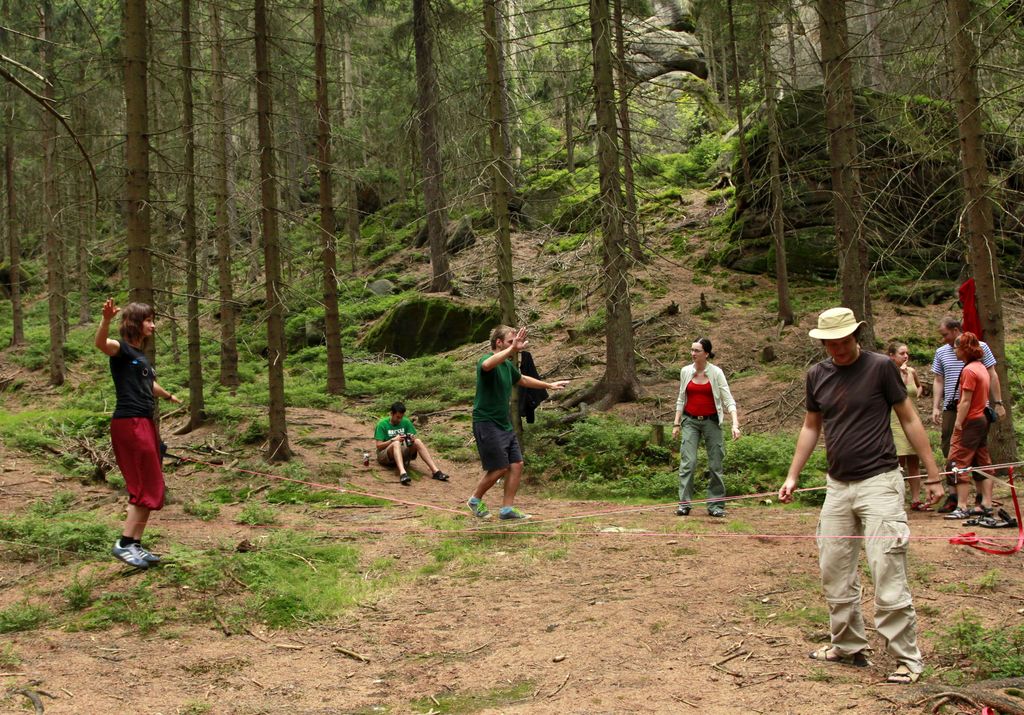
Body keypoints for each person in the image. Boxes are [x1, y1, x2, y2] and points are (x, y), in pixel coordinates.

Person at [778, 307, 943, 685]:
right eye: (829, 344)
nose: (836, 349)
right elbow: (810, 427)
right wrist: (792, 475)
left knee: (887, 568)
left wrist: (933, 473)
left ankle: (906, 658)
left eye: (842, 342)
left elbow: (909, 418)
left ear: (856, 336)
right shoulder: (817, 375)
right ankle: (848, 645)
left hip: (880, 483)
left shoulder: (880, 368)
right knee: (833, 569)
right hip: (837, 485)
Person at [94, 298, 181, 570]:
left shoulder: (140, 356)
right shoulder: (121, 350)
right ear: (135, 323)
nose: (153, 326)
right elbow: (101, 344)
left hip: (143, 422)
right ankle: (124, 543)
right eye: (149, 321)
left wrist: (167, 395)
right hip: (129, 422)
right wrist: (106, 320)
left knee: (153, 485)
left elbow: (149, 383)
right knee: (143, 484)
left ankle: (135, 544)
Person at [467, 326, 567, 520]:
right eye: (511, 341)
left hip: (504, 423)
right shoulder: (488, 360)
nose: (516, 345)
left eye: (516, 343)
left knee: (516, 464)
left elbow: (522, 379)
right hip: (486, 422)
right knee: (499, 467)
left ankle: (506, 509)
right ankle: (475, 500)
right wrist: (512, 351)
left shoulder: (507, 366)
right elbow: (487, 365)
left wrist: (548, 385)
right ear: (499, 342)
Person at [930, 316, 1004, 511]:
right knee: (951, 449)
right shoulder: (941, 352)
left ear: (956, 330)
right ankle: (954, 496)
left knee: (967, 454)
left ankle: (978, 499)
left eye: (945, 334)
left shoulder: (977, 349)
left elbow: (992, 374)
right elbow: (939, 379)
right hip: (952, 407)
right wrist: (936, 406)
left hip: (974, 409)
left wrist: (998, 402)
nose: (943, 339)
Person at [671, 338, 740, 517]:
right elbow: (680, 398)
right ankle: (684, 504)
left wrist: (735, 424)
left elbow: (728, 399)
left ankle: (715, 506)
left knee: (715, 463)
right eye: (692, 350)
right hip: (690, 421)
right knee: (689, 462)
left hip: (711, 421)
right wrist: (676, 424)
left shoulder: (716, 373)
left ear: (706, 354)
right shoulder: (685, 371)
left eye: (697, 351)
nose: (693, 354)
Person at [942, 332, 994, 520]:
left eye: (956, 347)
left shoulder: (969, 371)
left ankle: (962, 506)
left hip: (970, 420)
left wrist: (958, 422)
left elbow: (965, 401)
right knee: (982, 460)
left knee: (957, 461)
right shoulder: (980, 367)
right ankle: (986, 503)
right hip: (981, 419)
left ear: (964, 349)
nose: (954, 350)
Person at [373, 401, 449, 486]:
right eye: (397, 417)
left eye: (401, 417)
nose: (400, 420)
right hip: (385, 456)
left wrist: (412, 439)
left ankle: (436, 471)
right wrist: (393, 440)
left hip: (402, 452)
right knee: (396, 443)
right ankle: (403, 473)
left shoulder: (405, 422)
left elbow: (412, 438)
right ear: (391, 414)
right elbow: (378, 446)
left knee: (418, 441)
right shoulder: (382, 424)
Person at [887, 342, 925, 510]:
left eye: (907, 353)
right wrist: (900, 378)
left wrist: (917, 392)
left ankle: (916, 499)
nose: (905, 356)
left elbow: (918, 386)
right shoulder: (887, 372)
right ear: (892, 355)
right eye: (902, 353)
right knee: (898, 461)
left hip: (912, 418)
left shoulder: (912, 371)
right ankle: (898, 499)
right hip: (895, 420)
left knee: (914, 460)